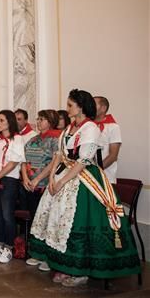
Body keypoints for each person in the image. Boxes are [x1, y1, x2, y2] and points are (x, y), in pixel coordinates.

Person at [29, 89, 140, 287]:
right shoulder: (69, 128)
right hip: (64, 175)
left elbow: (83, 160)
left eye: (70, 105)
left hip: (84, 179)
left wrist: (62, 182)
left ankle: (81, 271)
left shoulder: (91, 129)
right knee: (58, 221)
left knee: (78, 222)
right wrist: (51, 178)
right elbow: (59, 155)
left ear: (80, 107)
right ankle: (63, 265)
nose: (67, 108)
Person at [21, 109, 61, 271]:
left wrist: (37, 179)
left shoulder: (56, 139)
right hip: (29, 184)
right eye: (37, 119)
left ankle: (48, 257)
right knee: (35, 219)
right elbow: (23, 159)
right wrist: (25, 178)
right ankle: (37, 253)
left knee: (48, 221)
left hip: (45, 185)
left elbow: (54, 162)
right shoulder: (33, 140)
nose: (38, 122)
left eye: (42, 119)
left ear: (51, 121)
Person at [0, 110, 25, 264]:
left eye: (2, 120)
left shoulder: (17, 138)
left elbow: (14, 162)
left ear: (9, 121)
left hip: (8, 180)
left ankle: (9, 247)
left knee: (7, 216)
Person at [94, 96, 121, 184]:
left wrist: (95, 171)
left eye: (93, 104)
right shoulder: (89, 126)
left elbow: (113, 156)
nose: (90, 107)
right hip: (88, 178)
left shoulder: (113, 127)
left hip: (106, 177)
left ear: (103, 108)